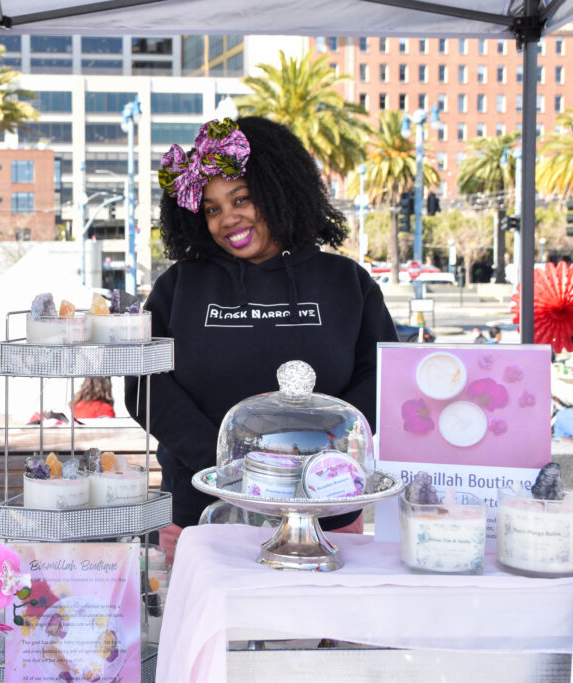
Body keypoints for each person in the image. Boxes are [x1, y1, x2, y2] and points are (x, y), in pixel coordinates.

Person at [125, 116, 398, 562]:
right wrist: (233, 467)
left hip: (323, 509)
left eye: (242, 198)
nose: (227, 218)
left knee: (315, 630)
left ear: (278, 190)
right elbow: (146, 387)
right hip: (202, 508)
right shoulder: (179, 288)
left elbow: (382, 381)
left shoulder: (346, 283)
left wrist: (311, 464)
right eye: (212, 208)